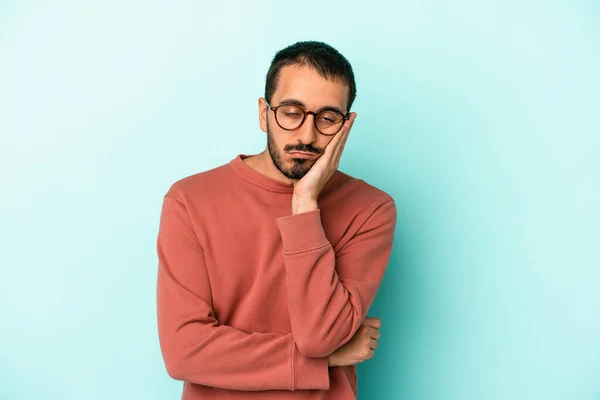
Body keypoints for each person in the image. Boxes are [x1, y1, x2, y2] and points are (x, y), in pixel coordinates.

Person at [156, 40, 397, 399]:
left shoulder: (371, 209)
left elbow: (318, 337)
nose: (306, 135)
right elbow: (184, 353)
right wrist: (322, 362)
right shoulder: (190, 200)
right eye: (291, 111)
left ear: (347, 125)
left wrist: (304, 200)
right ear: (263, 113)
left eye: (327, 118)